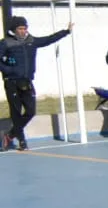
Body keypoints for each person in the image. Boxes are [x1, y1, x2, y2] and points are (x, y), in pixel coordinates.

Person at [1, 16, 73, 152]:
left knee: (30, 111)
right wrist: (9, 70)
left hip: (26, 81)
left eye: (25, 28)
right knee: (16, 113)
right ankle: (22, 141)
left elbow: (48, 39)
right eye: (20, 29)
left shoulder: (31, 41)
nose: (23, 31)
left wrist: (66, 32)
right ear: (14, 30)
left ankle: (10, 135)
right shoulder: (6, 43)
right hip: (11, 82)